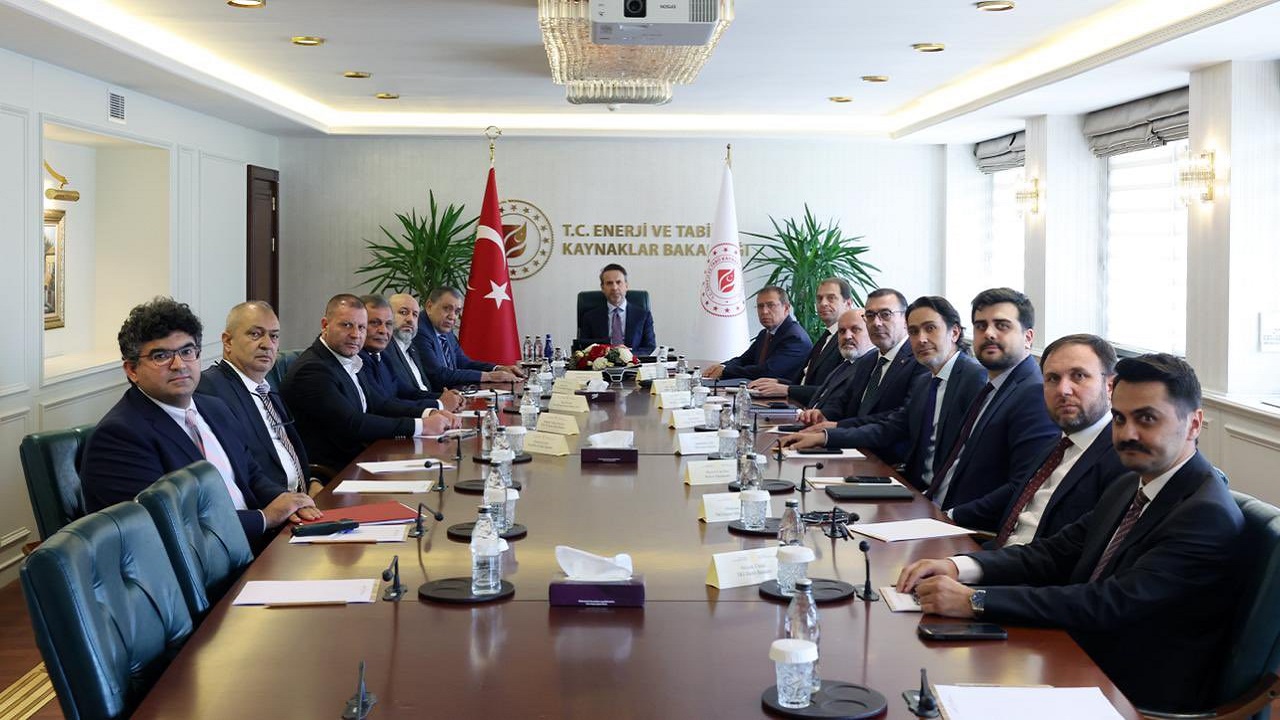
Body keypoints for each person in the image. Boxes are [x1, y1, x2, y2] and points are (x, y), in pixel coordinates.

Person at [898, 354, 1244, 714]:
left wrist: (975, 601)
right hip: (1075, 651)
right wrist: (959, 566)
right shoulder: (1132, 483)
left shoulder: (1206, 515)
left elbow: (1109, 603)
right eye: (1120, 418)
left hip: (1128, 691)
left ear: (1194, 424)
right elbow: (1053, 553)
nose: (1127, 434)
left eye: (1146, 419)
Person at [81, 297, 319, 548]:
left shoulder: (215, 408)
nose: (179, 365)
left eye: (187, 351)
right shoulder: (119, 436)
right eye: (161, 356)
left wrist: (288, 502)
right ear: (132, 370)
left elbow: (251, 474)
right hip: (208, 564)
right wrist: (263, 518)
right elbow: (164, 526)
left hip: (261, 543)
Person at [782, 296, 986, 490]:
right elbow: (889, 428)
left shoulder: (975, 378)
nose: (921, 339)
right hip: (916, 489)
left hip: (945, 499)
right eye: (914, 331)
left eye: (930, 328)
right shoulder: (926, 382)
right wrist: (825, 437)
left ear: (954, 332)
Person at [951, 334, 1127, 543]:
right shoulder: (1055, 446)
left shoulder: (1122, 458)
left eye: (1079, 376)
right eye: (1052, 378)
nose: (1063, 390)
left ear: (1110, 386)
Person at [282, 294, 459, 472]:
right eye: (346, 325)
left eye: (361, 327)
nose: (355, 335)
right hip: (336, 471)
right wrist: (421, 426)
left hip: (365, 457)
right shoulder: (313, 369)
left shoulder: (349, 359)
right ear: (325, 325)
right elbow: (353, 423)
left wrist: (430, 412)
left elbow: (380, 404)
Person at [922, 287, 1059, 510]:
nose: (989, 334)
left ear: (1028, 337)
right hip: (934, 507)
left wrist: (952, 516)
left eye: (1002, 325)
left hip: (965, 523)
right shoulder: (990, 385)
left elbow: (1022, 487)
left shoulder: (1034, 393)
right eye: (980, 326)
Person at [195, 300, 322, 496]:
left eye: (274, 336)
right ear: (228, 342)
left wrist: (311, 481)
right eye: (255, 334)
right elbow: (236, 471)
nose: (267, 344)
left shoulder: (265, 388)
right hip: (270, 507)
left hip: (304, 496)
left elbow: (289, 450)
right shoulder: (211, 389)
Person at [747, 278, 862, 403]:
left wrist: (787, 389)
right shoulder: (826, 336)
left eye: (831, 298)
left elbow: (835, 391)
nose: (823, 303)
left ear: (848, 303)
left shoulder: (849, 342)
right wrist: (778, 382)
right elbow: (807, 382)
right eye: (819, 298)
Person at [359, 294, 463, 413]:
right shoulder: (361, 359)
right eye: (374, 323)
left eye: (388, 324)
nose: (383, 330)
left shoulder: (383, 355)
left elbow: (405, 391)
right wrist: (439, 404)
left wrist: (445, 398)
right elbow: (382, 405)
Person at [416, 286, 525, 388]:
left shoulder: (444, 330)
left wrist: (497, 368)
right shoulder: (419, 331)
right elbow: (438, 375)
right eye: (447, 308)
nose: (452, 316)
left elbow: (464, 363)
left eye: (457, 311)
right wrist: (490, 376)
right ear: (429, 306)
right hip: (434, 397)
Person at [703, 286, 812, 381]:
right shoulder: (765, 334)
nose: (764, 311)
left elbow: (768, 372)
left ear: (786, 308)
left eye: (771, 305)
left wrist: (725, 371)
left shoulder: (795, 338)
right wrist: (721, 366)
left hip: (783, 397)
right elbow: (744, 360)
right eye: (760, 306)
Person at [576, 263, 656, 355]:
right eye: (609, 283)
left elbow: (650, 349)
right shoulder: (590, 317)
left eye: (618, 282)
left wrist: (626, 354)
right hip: (602, 362)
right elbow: (584, 349)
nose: (614, 288)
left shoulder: (643, 316)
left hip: (634, 362)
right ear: (602, 288)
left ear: (626, 285)